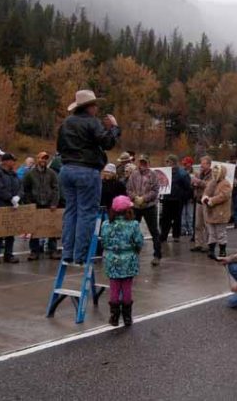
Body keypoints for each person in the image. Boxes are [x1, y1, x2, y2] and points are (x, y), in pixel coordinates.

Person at [57, 90, 120, 264]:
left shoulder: (66, 123)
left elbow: (59, 147)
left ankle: (67, 252)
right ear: (89, 107)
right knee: (86, 213)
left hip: (67, 169)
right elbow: (108, 143)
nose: (97, 108)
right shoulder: (92, 122)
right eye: (95, 105)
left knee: (71, 212)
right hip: (86, 170)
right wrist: (114, 128)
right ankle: (80, 255)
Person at [101, 195, 144, 327]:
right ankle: (127, 317)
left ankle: (114, 317)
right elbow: (139, 242)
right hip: (128, 259)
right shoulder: (134, 224)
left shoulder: (106, 224)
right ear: (128, 210)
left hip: (111, 259)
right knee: (127, 287)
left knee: (114, 287)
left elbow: (104, 242)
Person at [22, 152, 60, 261]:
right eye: (42, 158)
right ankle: (34, 251)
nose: (44, 160)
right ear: (37, 159)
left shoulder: (52, 173)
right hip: (35, 204)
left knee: (51, 228)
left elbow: (56, 189)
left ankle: (52, 250)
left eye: (45, 159)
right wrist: (29, 203)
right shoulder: (30, 174)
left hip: (49, 205)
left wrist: (54, 203)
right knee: (34, 229)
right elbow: (26, 189)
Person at [126, 154, 162, 265]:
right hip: (136, 206)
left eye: (144, 162)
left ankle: (157, 255)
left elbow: (155, 191)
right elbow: (128, 189)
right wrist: (135, 198)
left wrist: (144, 198)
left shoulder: (153, 175)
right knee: (133, 230)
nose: (142, 164)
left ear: (148, 163)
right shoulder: (133, 175)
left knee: (154, 231)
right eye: (141, 162)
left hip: (149, 207)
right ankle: (133, 253)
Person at [0, 153, 22, 264]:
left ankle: (9, 254)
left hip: (12, 206)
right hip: (0, 205)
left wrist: (18, 196)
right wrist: (10, 197)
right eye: (12, 160)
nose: (14, 163)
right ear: (6, 161)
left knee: (11, 231)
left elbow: (21, 187)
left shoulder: (14, 174)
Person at [159, 155, 192, 244]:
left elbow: (188, 187)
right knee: (165, 218)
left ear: (173, 162)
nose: (167, 163)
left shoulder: (182, 173)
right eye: (166, 162)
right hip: (167, 198)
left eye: (168, 162)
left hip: (177, 199)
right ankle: (163, 235)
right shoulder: (165, 172)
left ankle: (176, 235)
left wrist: (183, 197)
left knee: (177, 218)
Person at [203, 164, 232, 260]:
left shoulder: (226, 183)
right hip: (211, 212)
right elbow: (206, 192)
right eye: (214, 172)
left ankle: (222, 251)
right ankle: (211, 250)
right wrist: (205, 198)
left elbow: (223, 196)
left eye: (217, 172)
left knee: (221, 233)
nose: (215, 174)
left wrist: (212, 200)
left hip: (221, 212)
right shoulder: (212, 183)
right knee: (212, 233)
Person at [190, 156, 212, 253]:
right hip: (198, 200)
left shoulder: (212, 175)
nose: (201, 166)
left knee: (207, 224)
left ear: (208, 164)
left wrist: (197, 182)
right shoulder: (199, 174)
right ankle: (198, 244)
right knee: (198, 225)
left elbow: (209, 185)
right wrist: (193, 183)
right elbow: (196, 184)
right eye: (201, 163)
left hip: (207, 202)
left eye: (203, 164)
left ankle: (208, 244)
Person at [180, 156, 195, 239]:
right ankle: (183, 229)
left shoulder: (195, 173)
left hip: (190, 196)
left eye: (186, 163)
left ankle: (190, 229)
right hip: (182, 196)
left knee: (190, 214)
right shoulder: (181, 172)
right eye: (184, 164)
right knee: (182, 214)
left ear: (190, 164)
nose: (185, 165)